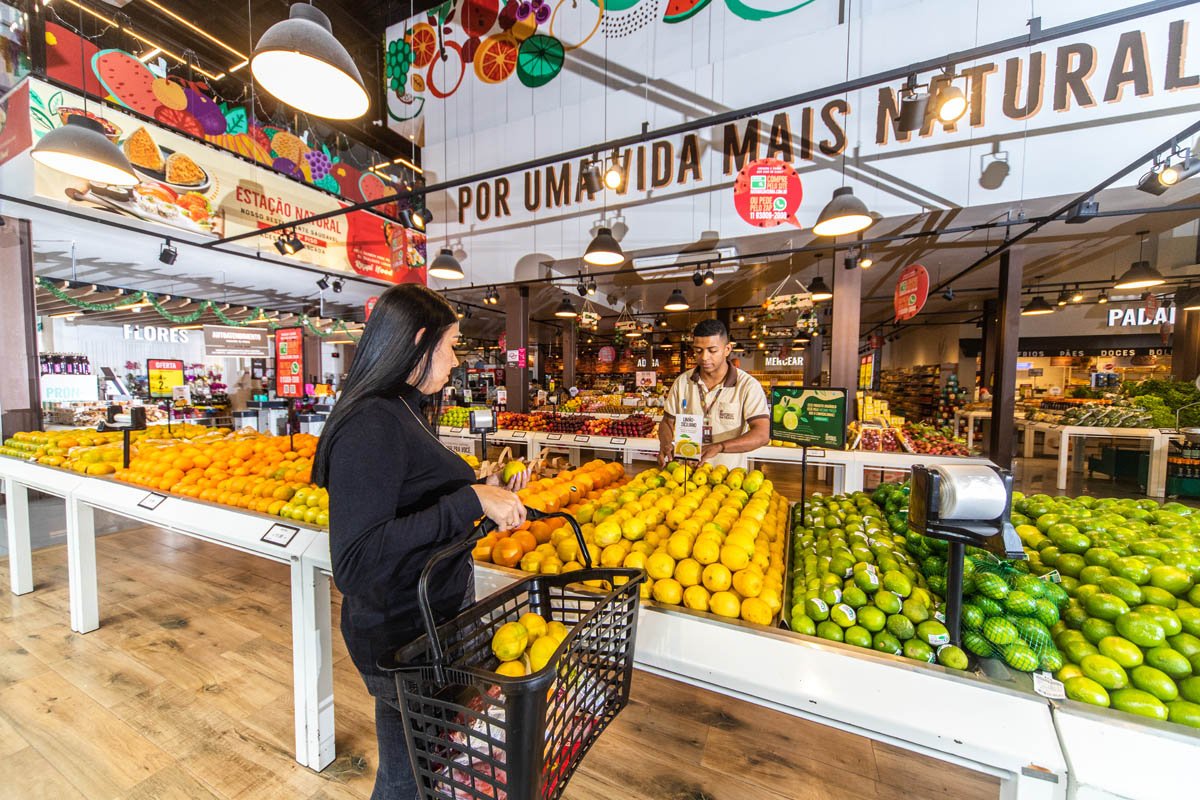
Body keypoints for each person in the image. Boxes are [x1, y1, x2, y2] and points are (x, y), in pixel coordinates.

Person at [313, 284, 529, 799]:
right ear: (418, 340)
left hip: (428, 626)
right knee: (412, 776)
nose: (456, 361)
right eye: (452, 345)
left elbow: (412, 502)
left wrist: (480, 490)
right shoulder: (371, 424)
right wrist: (468, 501)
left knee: (416, 767)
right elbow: (356, 562)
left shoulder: (402, 408)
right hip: (406, 637)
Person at [657, 318, 770, 469]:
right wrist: (665, 443)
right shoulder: (682, 382)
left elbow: (762, 434)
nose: (704, 357)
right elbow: (667, 421)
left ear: (727, 350)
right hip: (685, 475)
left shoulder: (747, 386)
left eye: (712, 350)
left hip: (727, 478)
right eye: (698, 351)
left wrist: (719, 446)